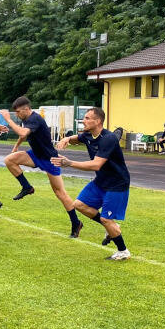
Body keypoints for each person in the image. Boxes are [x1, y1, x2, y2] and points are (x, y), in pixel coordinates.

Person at [52, 107, 131, 260]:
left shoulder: (108, 139)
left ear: (98, 121)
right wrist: (67, 139)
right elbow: (78, 138)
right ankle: (110, 228)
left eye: (88, 118)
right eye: (85, 118)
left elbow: (96, 165)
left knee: (106, 219)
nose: (84, 120)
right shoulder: (89, 135)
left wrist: (69, 163)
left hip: (116, 184)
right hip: (101, 181)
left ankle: (123, 251)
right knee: (79, 205)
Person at [0, 96, 83, 238]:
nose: (18, 115)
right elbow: (23, 134)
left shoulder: (35, 119)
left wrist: (8, 119)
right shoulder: (26, 119)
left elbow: (22, 132)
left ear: (26, 109)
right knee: (9, 160)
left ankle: (76, 223)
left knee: (60, 193)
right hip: (36, 155)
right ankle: (27, 187)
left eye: (19, 112)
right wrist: (16, 147)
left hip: (50, 159)